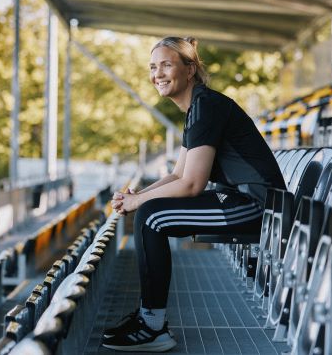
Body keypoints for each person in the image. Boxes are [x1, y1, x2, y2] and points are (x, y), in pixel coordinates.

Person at [101, 37, 285, 352]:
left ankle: (152, 325)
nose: (158, 73)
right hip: (244, 200)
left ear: (190, 69)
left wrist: (139, 203)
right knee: (148, 211)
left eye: (167, 64)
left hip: (261, 206)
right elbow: (176, 174)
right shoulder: (196, 109)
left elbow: (191, 185)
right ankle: (151, 319)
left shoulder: (206, 106)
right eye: (153, 66)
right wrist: (137, 195)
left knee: (150, 217)